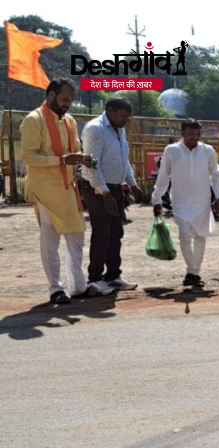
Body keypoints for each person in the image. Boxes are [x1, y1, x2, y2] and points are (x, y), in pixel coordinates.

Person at [19, 78, 103, 304]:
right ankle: (55, 289)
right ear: (51, 95)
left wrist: (82, 159)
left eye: (71, 101)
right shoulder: (33, 120)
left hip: (68, 189)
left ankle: (78, 286)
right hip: (45, 191)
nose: (68, 104)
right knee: (51, 242)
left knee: (76, 238)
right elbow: (28, 156)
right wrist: (62, 160)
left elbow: (74, 149)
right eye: (65, 99)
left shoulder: (69, 121)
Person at [81, 97, 144, 293]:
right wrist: (104, 193)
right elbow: (92, 164)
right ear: (111, 111)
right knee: (102, 233)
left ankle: (113, 276)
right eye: (124, 116)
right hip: (97, 187)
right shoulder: (96, 129)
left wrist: (133, 185)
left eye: (128, 116)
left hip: (115, 187)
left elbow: (122, 160)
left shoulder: (119, 129)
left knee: (116, 233)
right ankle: (95, 278)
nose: (127, 120)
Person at [151, 119, 219, 287]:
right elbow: (163, 177)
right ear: (182, 133)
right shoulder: (171, 151)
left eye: (198, 134)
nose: (195, 137)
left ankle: (193, 273)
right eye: (191, 134)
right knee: (184, 235)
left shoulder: (208, 151)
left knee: (200, 237)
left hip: (202, 202)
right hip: (179, 201)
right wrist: (156, 199)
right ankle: (193, 271)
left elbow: (215, 174)